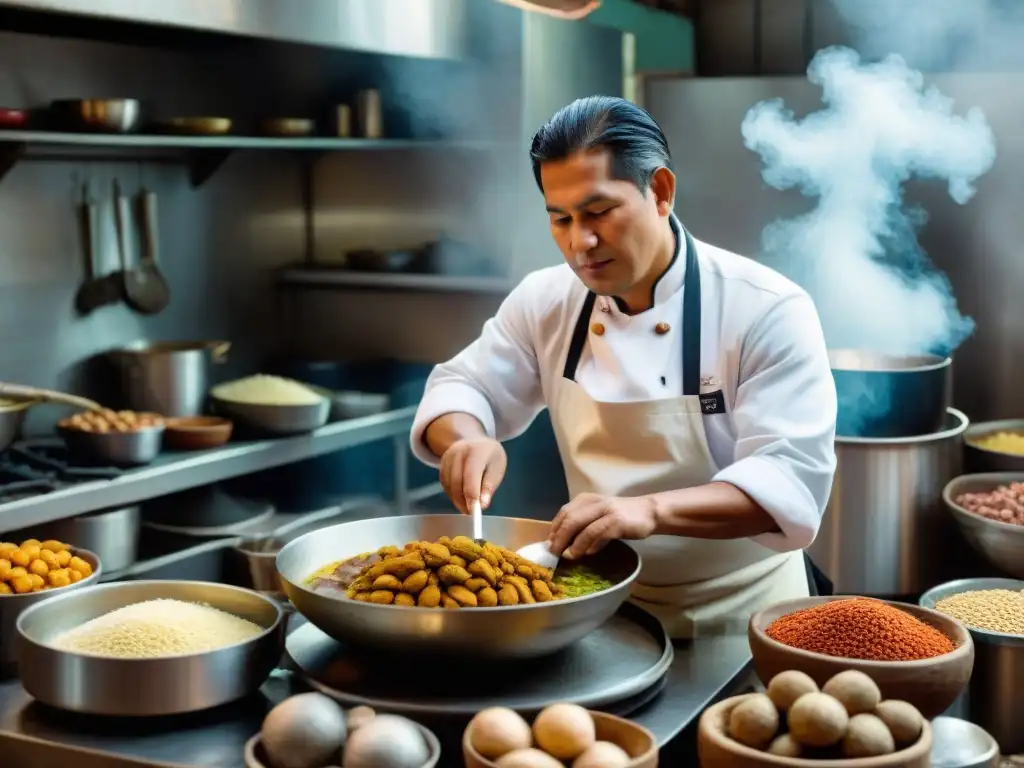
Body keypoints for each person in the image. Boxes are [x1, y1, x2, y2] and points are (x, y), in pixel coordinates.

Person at [410, 96, 838, 637]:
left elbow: (788, 480)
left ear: (659, 191)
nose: (579, 243)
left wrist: (650, 511)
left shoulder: (766, 309)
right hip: (597, 610)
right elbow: (464, 387)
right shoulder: (546, 300)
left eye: (598, 212)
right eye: (560, 219)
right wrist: (467, 438)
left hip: (745, 618)